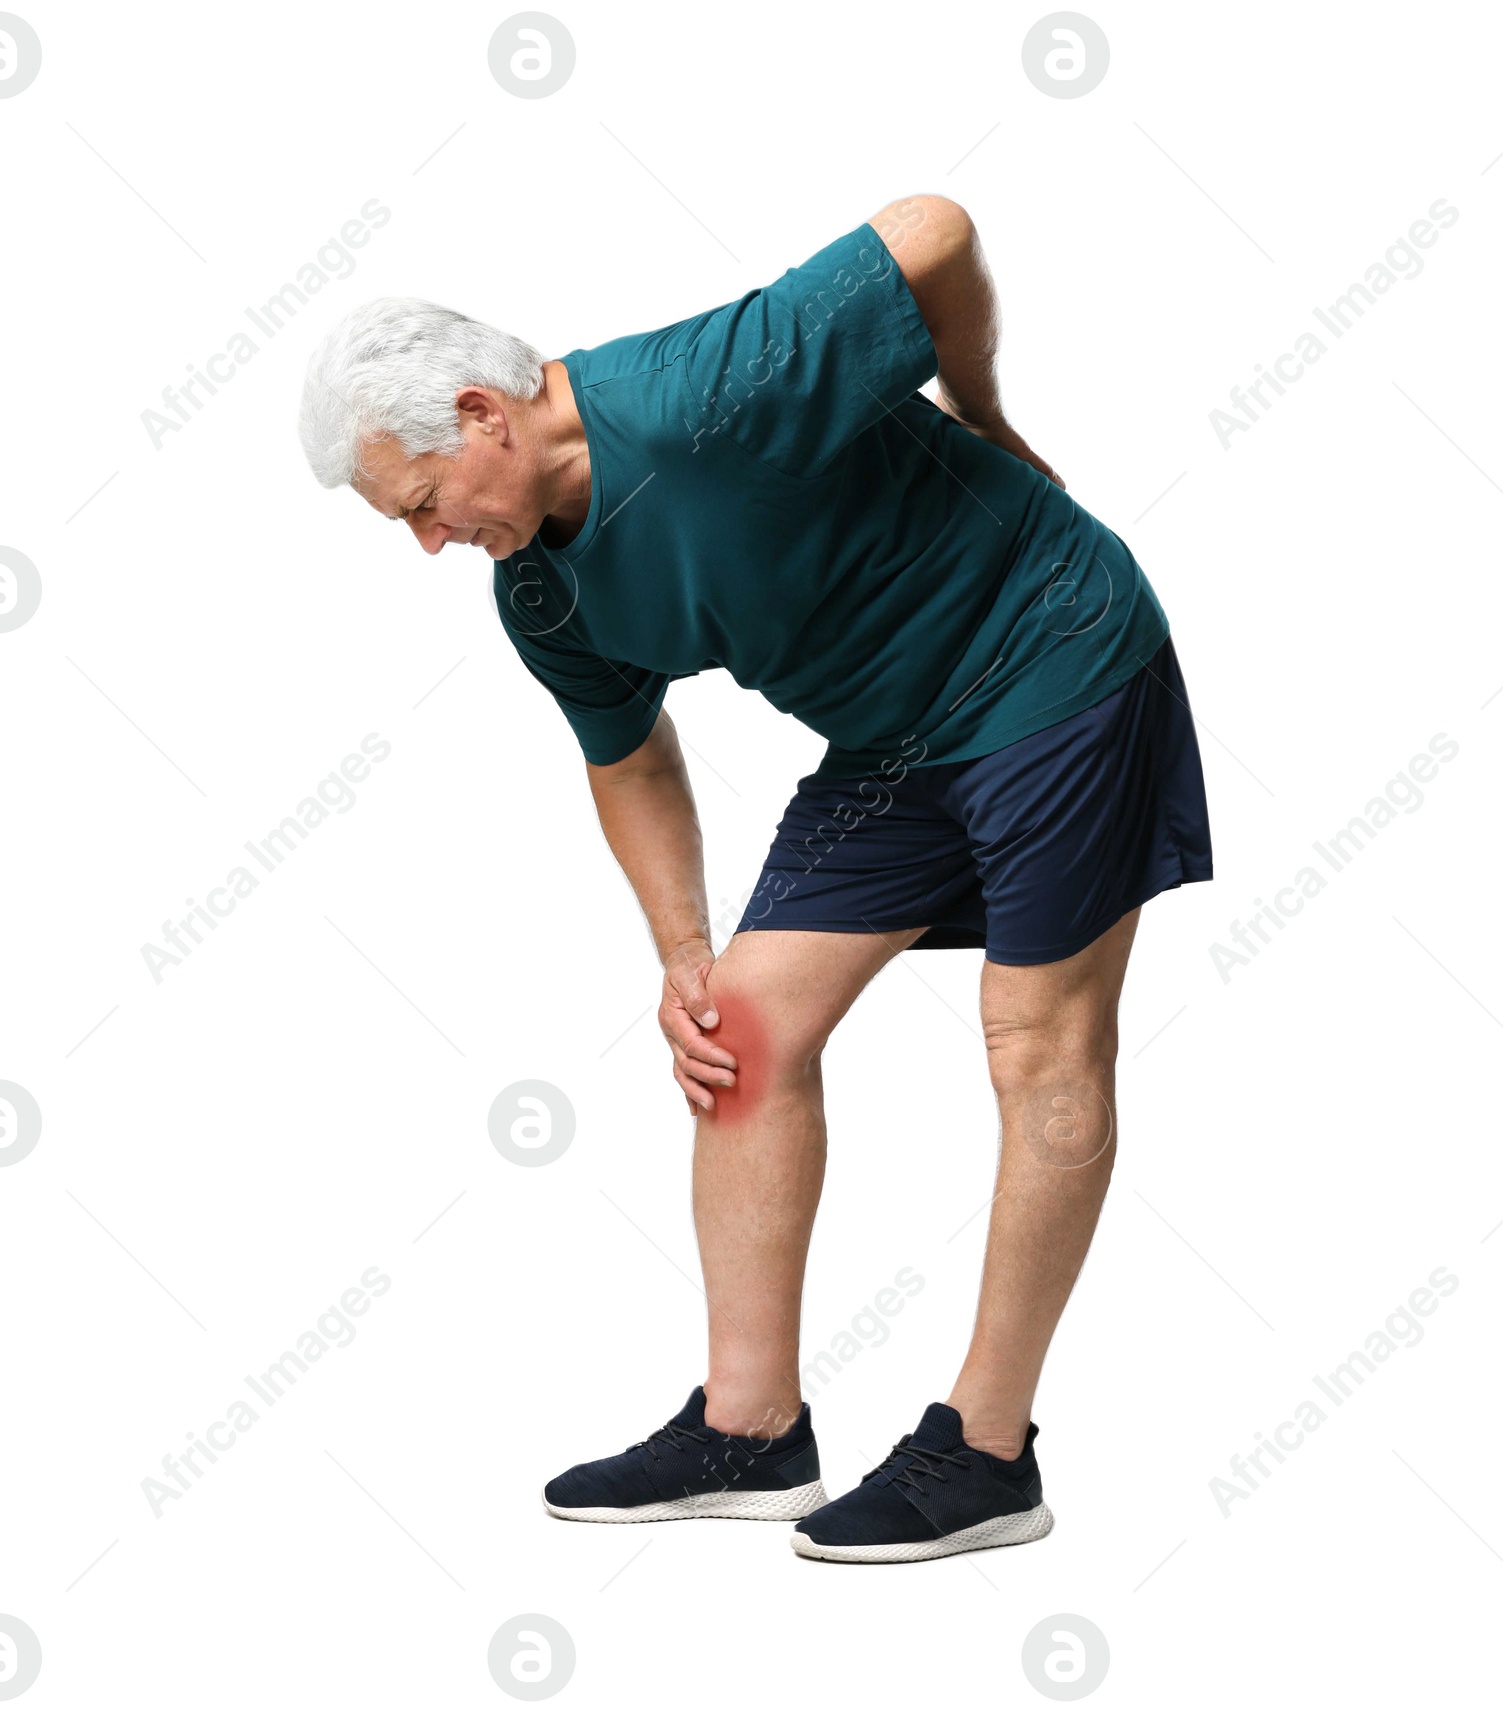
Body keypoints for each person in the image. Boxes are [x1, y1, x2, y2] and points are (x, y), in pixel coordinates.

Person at [297, 195, 1212, 1562]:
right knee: (740, 1029)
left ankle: (988, 1450)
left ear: (484, 414)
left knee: (1038, 1042)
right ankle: (749, 1427)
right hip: (895, 737)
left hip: (1052, 649)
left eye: (424, 505)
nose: (430, 543)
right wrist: (681, 953)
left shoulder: (703, 392)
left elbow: (932, 231)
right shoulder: (537, 590)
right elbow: (631, 758)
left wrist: (988, 414)